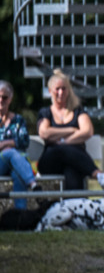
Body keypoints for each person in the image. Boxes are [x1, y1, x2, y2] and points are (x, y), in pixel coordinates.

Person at [36, 71, 104, 191]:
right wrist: (72, 130)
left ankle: (73, 207)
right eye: (57, 89)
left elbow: (87, 131)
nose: (61, 92)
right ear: (50, 91)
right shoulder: (45, 112)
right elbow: (44, 133)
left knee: (72, 173)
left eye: (64, 88)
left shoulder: (77, 111)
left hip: (75, 162)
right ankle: (97, 174)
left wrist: (63, 141)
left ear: (69, 90)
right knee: (59, 150)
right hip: (51, 161)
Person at [0, 80, 43, 209]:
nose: (1, 100)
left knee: (18, 173)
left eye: (4, 97)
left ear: (10, 99)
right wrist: (11, 144)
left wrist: (5, 143)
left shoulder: (18, 120)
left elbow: (24, 141)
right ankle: (33, 185)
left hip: (15, 165)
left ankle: (20, 216)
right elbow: (18, 142)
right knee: (11, 152)